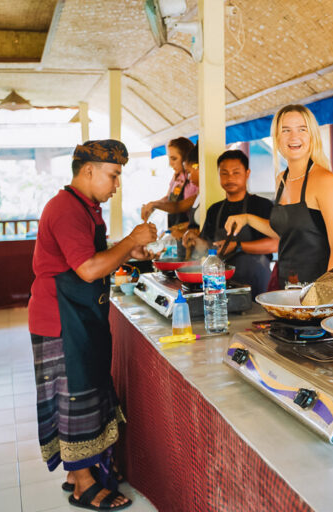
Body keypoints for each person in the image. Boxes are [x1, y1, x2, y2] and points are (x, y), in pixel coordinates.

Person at [28, 140, 157, 510]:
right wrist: (131, 239)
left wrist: (124, 249)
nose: (117, 185)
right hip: (61, 320)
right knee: (74, 396)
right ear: (88, 170)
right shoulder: (66, 209)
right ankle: (85, 483)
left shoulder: (85, 208)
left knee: (84, 389)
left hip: (76, 316)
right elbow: (87, 269)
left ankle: (77, 473)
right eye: (113, 175)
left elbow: (88, 255)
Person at [225, 105, 333, 289]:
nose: (294, 137)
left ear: (312, 135)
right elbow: (286, 230)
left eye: (302, 129)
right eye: (286, 130)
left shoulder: (325, 180)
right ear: (276, 137)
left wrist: (325, 293)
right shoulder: (281, 179)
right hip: (288, 284)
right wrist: (247, 218)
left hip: (321, 286)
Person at [183, 149, 277, 296]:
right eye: (224, 173)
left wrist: (238, 246)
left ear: (247, 173)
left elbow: (274, 244)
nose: (230, 178)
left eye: (236, 172)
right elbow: (208, 246)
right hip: (221, 282)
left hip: (255, 279)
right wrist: (194, 240)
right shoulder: (215, 209)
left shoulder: (262, 205)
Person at [140, 136, 197, 227]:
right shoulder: (176, 176)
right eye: (169, 158)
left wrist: (155, 204)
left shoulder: (195, 179)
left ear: (186, 158)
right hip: (176, 228)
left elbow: (179, 206)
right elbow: (169, 198)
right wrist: (152, 206)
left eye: (174, 159)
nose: (170, 163)